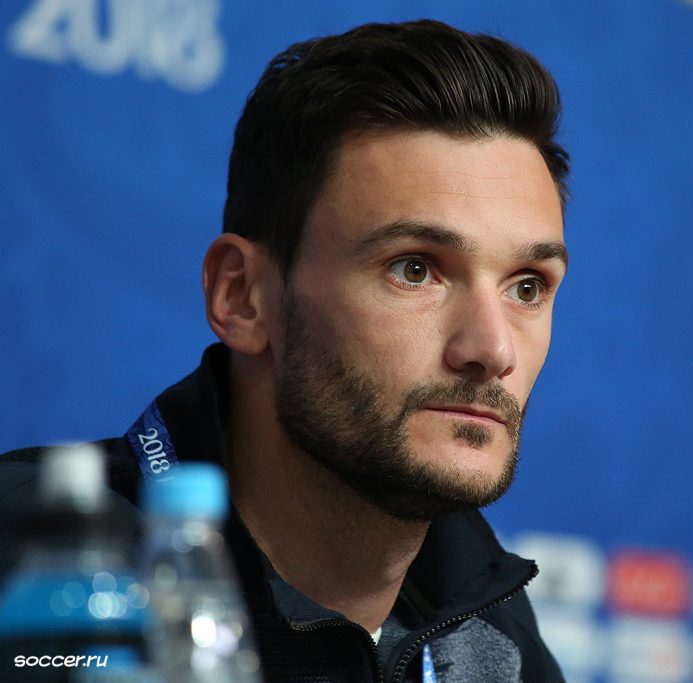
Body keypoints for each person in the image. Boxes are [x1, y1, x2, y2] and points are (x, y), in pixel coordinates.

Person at [0, 19, 570, 682]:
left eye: (527, 287)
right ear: (242, 296)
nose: (492, 349)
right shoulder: (26, 569)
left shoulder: (500, 642)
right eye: (414, 270)